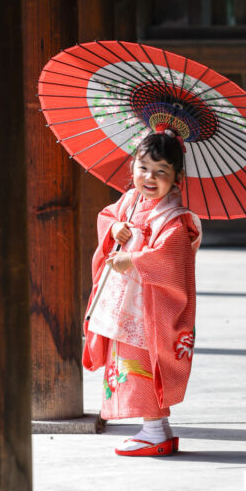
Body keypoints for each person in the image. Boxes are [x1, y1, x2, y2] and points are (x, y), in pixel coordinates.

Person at [83, 128, 202, 456]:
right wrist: (114, 228)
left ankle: (153, 432)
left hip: (149, 310)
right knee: (130, 365)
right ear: (132, 166)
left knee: (144, 366)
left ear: (177, 178)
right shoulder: (130, 202)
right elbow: (107, 216)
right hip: (127, 306)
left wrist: (133, 259)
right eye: (143, 167)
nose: (150, 177)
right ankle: (157, 429)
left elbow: (171, 257)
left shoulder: (174, 218)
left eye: (161, 171)